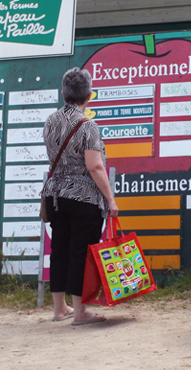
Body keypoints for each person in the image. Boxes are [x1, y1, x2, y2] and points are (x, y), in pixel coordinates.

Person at [42, 68, 119, 326]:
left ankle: (58, 308)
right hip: (84, 197)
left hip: (56, 196)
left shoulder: (50, 121)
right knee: (80, 253)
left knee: (59, 250)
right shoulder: (89, 126)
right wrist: (110, 199)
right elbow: (95, 166)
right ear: (89, 95)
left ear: (64, 93)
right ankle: (81, 311)